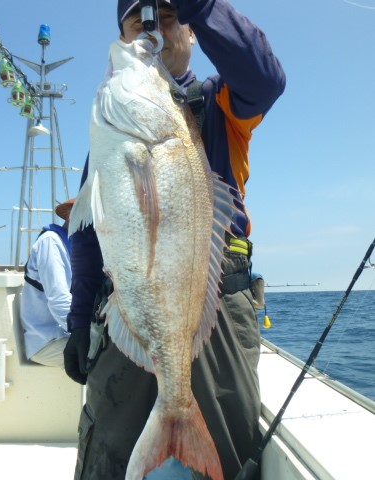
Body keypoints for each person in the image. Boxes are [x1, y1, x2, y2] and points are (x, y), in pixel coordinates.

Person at [64, 1, 286, 479]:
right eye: (138, 23)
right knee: (107, 452)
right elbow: (85, 236)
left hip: (216, 305)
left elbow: (266, 80)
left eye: (167, 16)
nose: (153, 32)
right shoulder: (111, 128)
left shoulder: (221, 103)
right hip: (127, 301)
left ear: (192, 31)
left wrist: (202, 5)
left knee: (227, 451)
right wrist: (80, 318)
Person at [20, 199, 75, 368]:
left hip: (67, 334)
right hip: (48, 341)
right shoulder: (51, 242)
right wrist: (82, 333)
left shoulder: (79, 248)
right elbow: (59, 299)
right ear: (71, 215)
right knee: (117, 359)